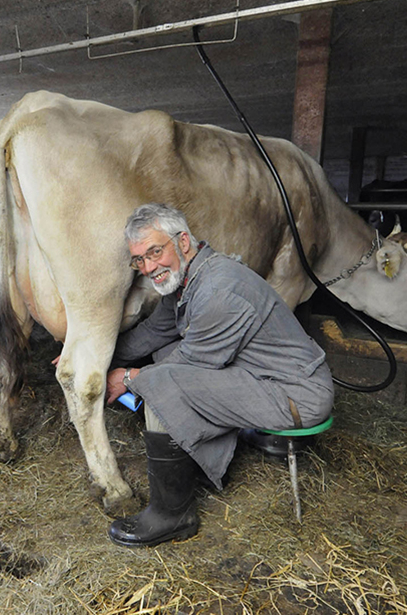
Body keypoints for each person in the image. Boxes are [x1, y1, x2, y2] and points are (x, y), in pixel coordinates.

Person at [105, 203, 334, 547]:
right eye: (139, 259)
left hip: (295, 396)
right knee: (161, 356)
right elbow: (153, 333)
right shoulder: (189, 277)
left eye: (155, 252)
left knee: (159, 380)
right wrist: (96, 356)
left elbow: (188, 366)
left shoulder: (218, 290)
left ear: (182, 242)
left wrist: (127, 378)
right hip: (266, 379)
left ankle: (172, 514)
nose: (149, 268)